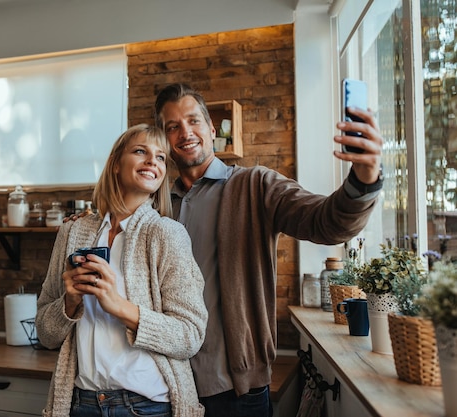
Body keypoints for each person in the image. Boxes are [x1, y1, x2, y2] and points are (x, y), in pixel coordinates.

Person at [153, 83, 383, 417]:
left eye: (193, 121)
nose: (185, 132)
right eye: (172, 127)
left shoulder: (254, 185)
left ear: (211, 129)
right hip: (163, 387)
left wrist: (365, 177)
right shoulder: (155, 205)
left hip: (234, 391)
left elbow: (327, 222)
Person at [36, 123, 208, 417]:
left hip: (147, 406)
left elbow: (190, 335)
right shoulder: (73, 233)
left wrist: (119, 307)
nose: (152, 161)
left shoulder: (168, 235)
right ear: (116, 164)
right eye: (140, 151)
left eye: (161, 157)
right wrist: (69, 303)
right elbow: (45, 332)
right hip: (81, 404)